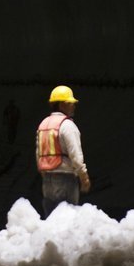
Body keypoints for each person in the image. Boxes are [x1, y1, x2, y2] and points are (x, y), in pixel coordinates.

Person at [36, 85, 90, 217]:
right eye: (70, 103)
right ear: (61, 105)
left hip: (47, 180)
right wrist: (84, 177)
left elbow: (38, 154)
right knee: (67, 220)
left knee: (51, 219)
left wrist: (45, 174)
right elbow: (76, 154)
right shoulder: (67, 125)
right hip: (66, 179)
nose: (73, 106)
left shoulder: (43, 124)